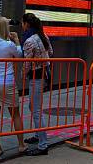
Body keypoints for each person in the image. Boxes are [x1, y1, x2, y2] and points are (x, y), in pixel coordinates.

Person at [0, 17, 26, 157]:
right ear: (4, 29)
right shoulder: (8, 45)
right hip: (7, 83)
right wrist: (17, 40)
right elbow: (19, 55)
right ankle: (21, 145)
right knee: (15, 115)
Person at [22, 13, 53, 156]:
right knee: (34, 106)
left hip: (36, 76)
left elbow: (27, 63)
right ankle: (37, 135)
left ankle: (43, 144)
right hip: (45, 74)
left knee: (36, 110)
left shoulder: (29, 41)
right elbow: (51, 52)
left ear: (26, 24)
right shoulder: (43, 36)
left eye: (23, 24)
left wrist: (22, 75)